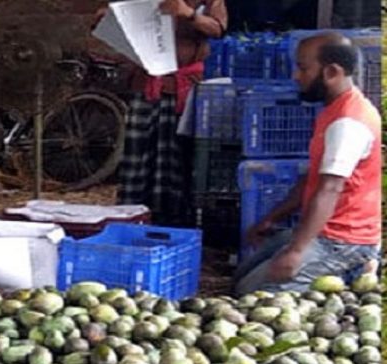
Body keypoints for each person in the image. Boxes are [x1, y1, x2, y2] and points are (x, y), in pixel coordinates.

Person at [235, 34, 381, 295]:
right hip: (325, 230)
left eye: (303, 68)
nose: (295, 76)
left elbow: (330, 188)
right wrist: (271, 218)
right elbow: (312, 179)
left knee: (253, 294)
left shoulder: (348, 123)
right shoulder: (334, 109)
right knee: (241, 277)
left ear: (331, 72)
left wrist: (296, 251)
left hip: (343, 242)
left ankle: (356, 269)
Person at [95, 0, 227, 226]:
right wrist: (109, 19)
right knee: (137, 156)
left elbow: (217, 29)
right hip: (144, 84)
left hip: (182, 87)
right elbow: (115, 21)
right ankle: (133, 215)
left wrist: (189, 14)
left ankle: (172, 219)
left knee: (175, 157)